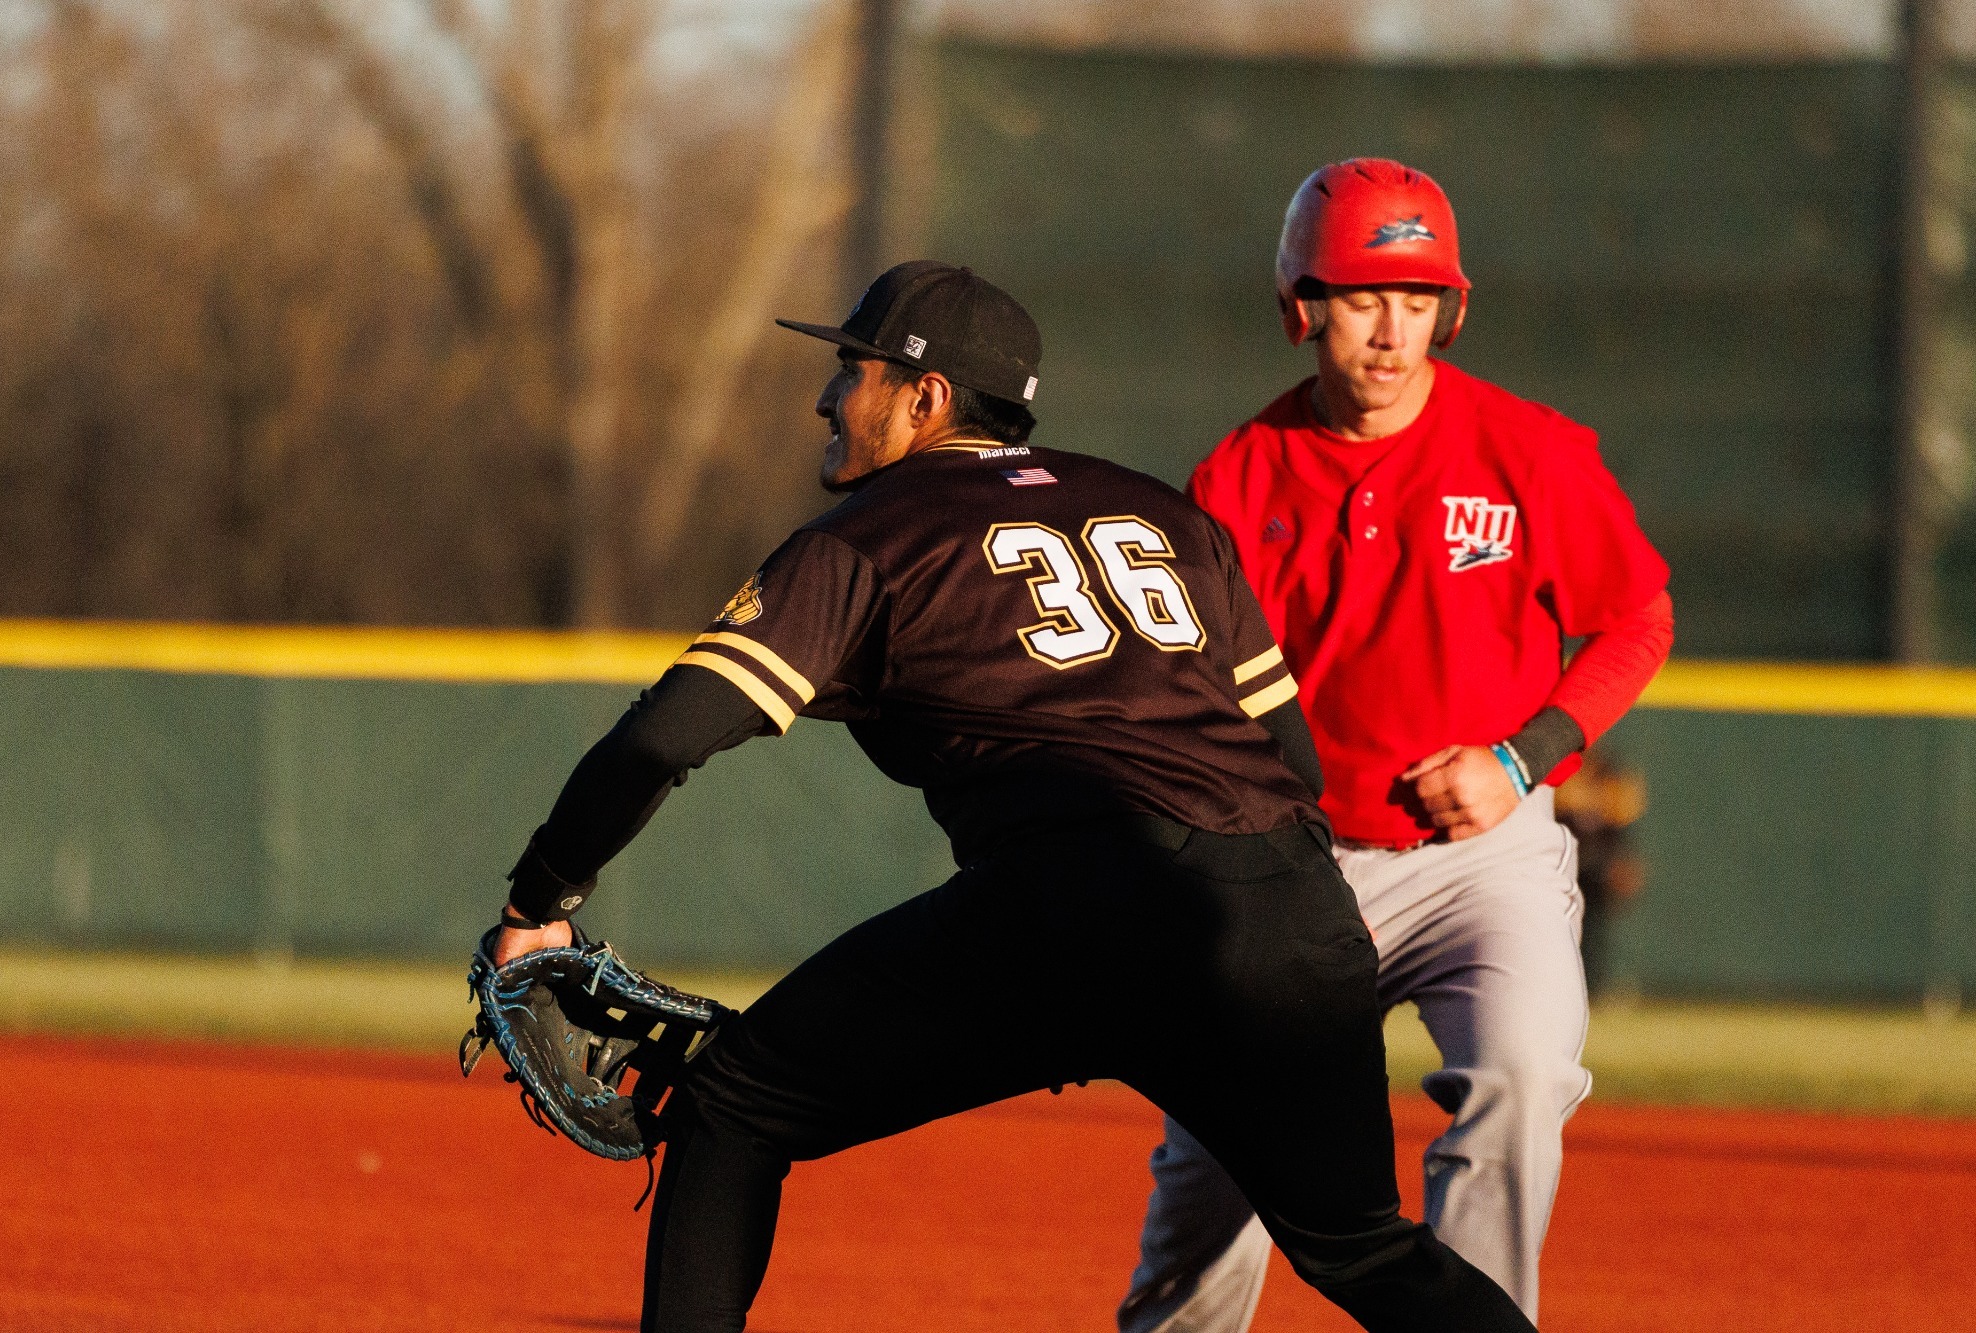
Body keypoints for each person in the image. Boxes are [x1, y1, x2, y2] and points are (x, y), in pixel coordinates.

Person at [488, 260, 1535, 1333]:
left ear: (923, 396)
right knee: (1359, 1241)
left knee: (732, 1107)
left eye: (851, 368)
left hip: (1080, 896)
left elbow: (661, 738)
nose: (825, 395)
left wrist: (538, 901)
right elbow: (1290, 760)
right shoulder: (1162, 514)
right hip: (1285, 901)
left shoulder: (866, 538)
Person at [1119, 159, 1674, 1331]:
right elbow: (1183, 691)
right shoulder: (1235, 477)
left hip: (1484, 861)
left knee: (1519, 1077)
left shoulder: (1527, 452)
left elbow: (1635, 618)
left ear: (1447, 309)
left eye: (1416, 299)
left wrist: (1521, 757)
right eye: (1363, 295)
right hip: (1296, 867)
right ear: (1300, 306)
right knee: (1216, 1168)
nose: (1390, 328)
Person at [1552, 744, 1649, 996]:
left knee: (1593, 926)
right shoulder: (1555, 767)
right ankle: (1559, 984)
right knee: (1558, 926)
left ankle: (1593, 985)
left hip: (1595, 865)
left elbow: (1617, 826)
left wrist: (1622, 860)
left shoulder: (1610, 774)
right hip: (1559, 862)